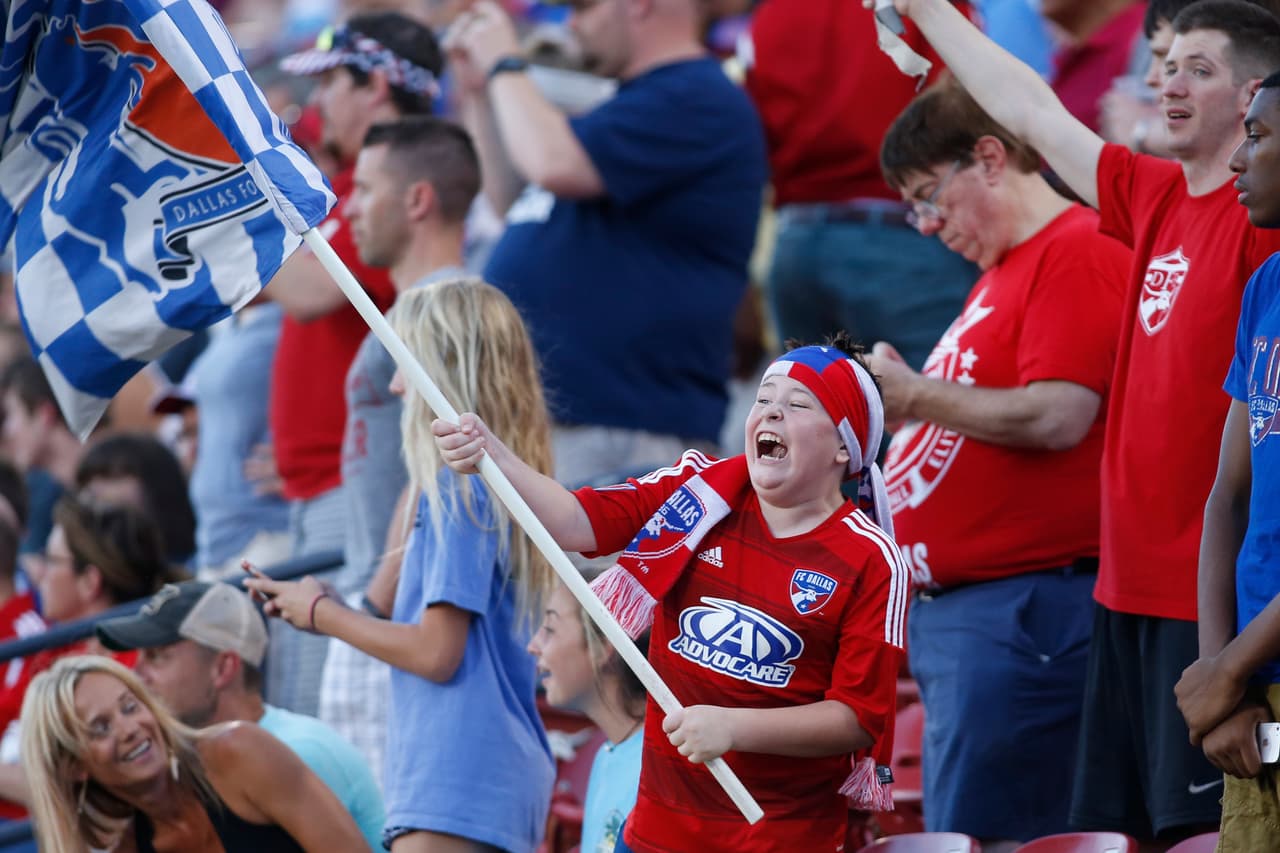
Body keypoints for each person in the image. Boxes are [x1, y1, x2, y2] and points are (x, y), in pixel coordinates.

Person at [873, 0, 1280, 841]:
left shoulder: (1261, 233)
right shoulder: (1154, 194)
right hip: (1118, 594)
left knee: (1202, 835)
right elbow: (1026, 108)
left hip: (1202, 601)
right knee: (1111, 833)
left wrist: (1226, 656)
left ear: (1255, 97)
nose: (1168, 84)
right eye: (1168, 66)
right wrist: (928, 11)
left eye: (1198, 70)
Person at [433, 334, 908, 851]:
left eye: (797, 405)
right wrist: (492, 454)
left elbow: (855, 719)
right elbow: (576, 521)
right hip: (654, 834)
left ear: (845, 446)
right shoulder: (698, 490)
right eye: (764, 399)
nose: (771, 413)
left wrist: (733, 728)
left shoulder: (872, 557)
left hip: (778, 840)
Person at [866, 80, 1129, 845]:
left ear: (988, 158)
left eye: (928, 196)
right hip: (988, 621)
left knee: (1004, 838)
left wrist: (917, 396)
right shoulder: (1008, 270)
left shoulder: (1075, 249)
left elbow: (1058, 414)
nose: (926, 224)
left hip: (1025, 616)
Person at [246, 279, 555, 853]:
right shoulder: (496, 483)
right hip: (490, 778)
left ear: (441, 371)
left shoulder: (458, 487)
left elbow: (437, 653)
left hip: (456, 777)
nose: (393, 386)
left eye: (403, 365)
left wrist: (322, 614)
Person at [446, 0, 767, 487]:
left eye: (585, 6)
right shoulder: (637, 100)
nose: (572, 22)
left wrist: (506, 65)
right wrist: (482, 92)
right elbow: (514, 195)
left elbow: (554, 165)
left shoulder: (695, 94)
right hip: (572, 425)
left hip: (623, 428)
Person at [265, 11, 443, 717]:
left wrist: (245, 207)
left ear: (375, 87)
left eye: (332, 82)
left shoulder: (389, 188)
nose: (318, 103)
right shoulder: (350, 186)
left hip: (358, 485)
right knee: (307, 707)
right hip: (316, 483)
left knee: (327, 716)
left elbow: (309, 291)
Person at [320, 115, 478, 780]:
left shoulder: (449, 308)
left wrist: (376, 599)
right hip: (393, 604)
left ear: (417, 199)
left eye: (364, 189)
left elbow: (444, 458)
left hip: (407, 611)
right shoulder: (420, 306)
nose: (349, 208)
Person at [741, 0, 979, 372]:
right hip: (904, 238)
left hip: (798, 243)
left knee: (816, 405)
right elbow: (963, 101)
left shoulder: (773, 12)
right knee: (936, 403)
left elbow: (753, 133)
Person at [1173, 74, 1280, 853]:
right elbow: (1227, 496)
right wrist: (1220, 677)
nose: (1238, 160)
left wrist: (1229, 668)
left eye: (1260, 136)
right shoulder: (1266, 285)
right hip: (1253, 698)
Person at [94, 581, 386, 851]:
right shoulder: (198, 765)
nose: (137, 675)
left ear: (223, 668)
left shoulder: (296, 750)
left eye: (157, 656)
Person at [19, 655, 368, 852]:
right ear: (73, 766)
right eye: (100, 728)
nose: (129, 729)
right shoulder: (130, 848)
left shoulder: (238, 752)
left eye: (130, 707)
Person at [0, 496, 184, 810]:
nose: (39, 572)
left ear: (90, 582)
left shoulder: (139, 666)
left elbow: (75, 791)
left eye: (51, 560)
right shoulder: (53, 650)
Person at [528, 582, 647, 853]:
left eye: (550, 630)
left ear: (604, 646)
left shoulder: (657, 766)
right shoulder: (606, 755)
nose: (533, 646)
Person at [0, 356, 83, 569]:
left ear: (45, 414)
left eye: (9, 415)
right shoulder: (57, 493)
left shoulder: (111, 480)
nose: (5, 433)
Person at [76, 433, 197, 568]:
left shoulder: (200, 563)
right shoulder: (93, 567)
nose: (92, 491)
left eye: (110, 476)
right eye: (86, 483)